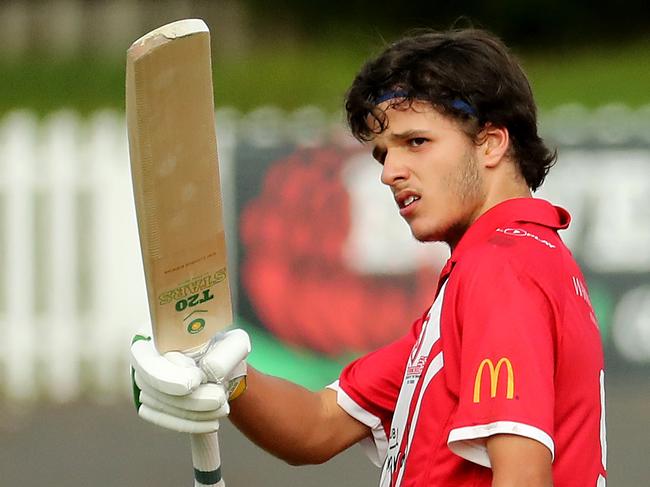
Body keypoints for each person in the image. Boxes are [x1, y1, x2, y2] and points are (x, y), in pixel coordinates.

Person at [130, 28, 607, 486]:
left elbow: (522, 476)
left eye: (416, 142)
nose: (390, 172)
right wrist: (225, 375)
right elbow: (319, 426)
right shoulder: (509, 264)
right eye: (383, 154)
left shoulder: (502, 269)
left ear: (491, 142)